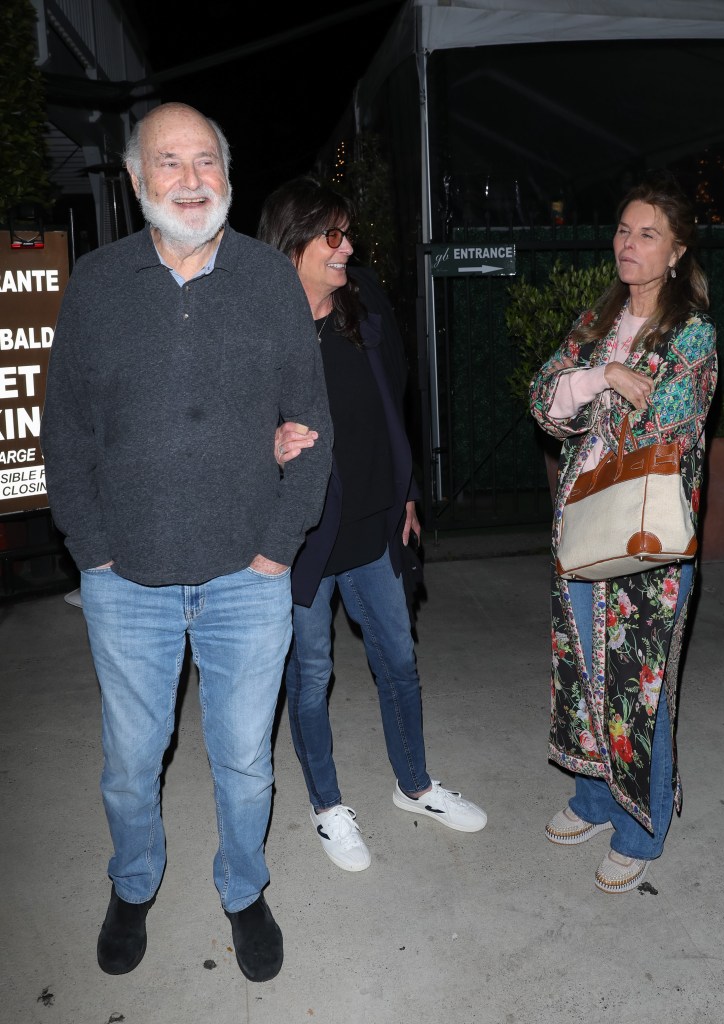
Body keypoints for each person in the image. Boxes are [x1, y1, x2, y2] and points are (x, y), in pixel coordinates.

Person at [40, 104, 333, 981]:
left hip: (248, 576)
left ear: (229, 176)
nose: (192, 178)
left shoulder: (267, 281)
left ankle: (244, 889)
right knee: (132, 763)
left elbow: (310, 426)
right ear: (136, 181)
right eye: (169, 162)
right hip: (125, 579)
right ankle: (133, 882)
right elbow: (67, 433)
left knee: (245, 762)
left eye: (207, 160)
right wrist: (90, 549)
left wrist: (278, 550)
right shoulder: (95, 284)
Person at [257, 176, 487, 872]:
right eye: (334, 236)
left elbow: (393, 406)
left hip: (373, 525)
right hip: (302, 539)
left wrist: (407, 491)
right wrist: (261, 450)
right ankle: (327, 806)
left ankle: (413, 784)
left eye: (348, 233)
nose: (348, 247)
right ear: (293, 243)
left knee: (399, 661)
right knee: (312, 675)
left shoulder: (366, 307)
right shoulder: (259, 332)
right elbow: (224, 431)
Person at [529, 173, 717, 893]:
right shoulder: (595, 321)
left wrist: (593, 385)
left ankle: (644, 824)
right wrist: (602, 372)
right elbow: (546, 402)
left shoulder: (691, 333)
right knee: (584, 673)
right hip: (581, 530)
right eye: (623, 231)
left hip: (647, 541)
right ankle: (595, 799)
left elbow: (662, 425)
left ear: (675, 252)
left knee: (639, 687)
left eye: (647, 235)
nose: (628, 245)